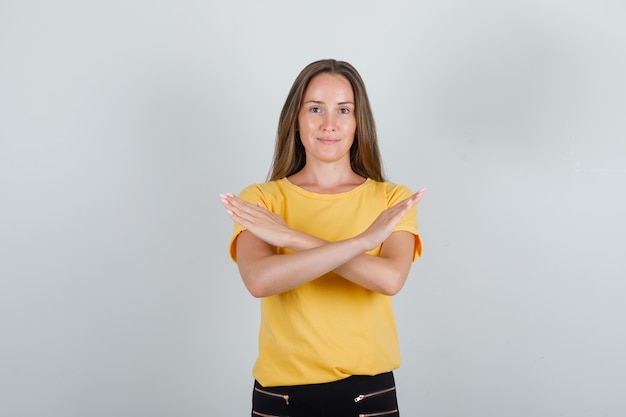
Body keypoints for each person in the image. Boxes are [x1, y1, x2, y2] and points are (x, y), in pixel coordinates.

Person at [220, 59, 424, 417]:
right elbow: (259, 280)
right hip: (281, 399)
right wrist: (362, 242)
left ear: (359, 122)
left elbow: (390, 279)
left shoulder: (392, 200)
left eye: (343, 110)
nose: (329, 124)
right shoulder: (261, 199)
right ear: (295, 119)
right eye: (315, 108)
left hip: (369, 396)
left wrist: (289, 236)